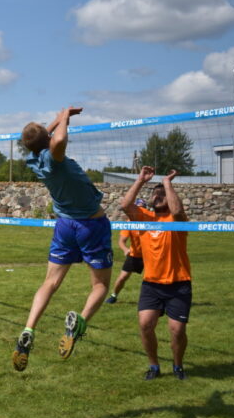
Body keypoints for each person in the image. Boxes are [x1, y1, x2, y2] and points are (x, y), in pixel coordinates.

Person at [12, 106, 113, 372]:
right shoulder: (54, 157)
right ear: (47, 139)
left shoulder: (34, 159)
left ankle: (28, 329)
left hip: (64, 225)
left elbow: (43, 138)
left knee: (50, 282)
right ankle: (79, 322)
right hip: (91, 225)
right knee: (101, 285)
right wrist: (65, 118)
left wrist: (60, 117)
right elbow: (57, 141)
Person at [121, 167, 191, 381]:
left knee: (177, 330)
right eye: (155, 193)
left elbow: (177, 210)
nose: (157, 196)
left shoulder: (177, 220)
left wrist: (167, 183)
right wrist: (140, 180)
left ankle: (178, 365)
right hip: (151, 284)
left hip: (178, 283)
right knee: (145, 325)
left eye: (162, 194)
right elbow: (125, 205)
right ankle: (154, 366)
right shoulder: (144, 217)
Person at [105, 198, 147, 304]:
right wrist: (125, 249)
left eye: (143, 209)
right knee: (123, 277)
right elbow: (121, 241)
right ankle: (114, 296)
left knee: (152, 279)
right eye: (138, 209)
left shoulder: (151, 222)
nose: (140, 211)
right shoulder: (129, 223)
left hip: (149, 255)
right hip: (134, 254)